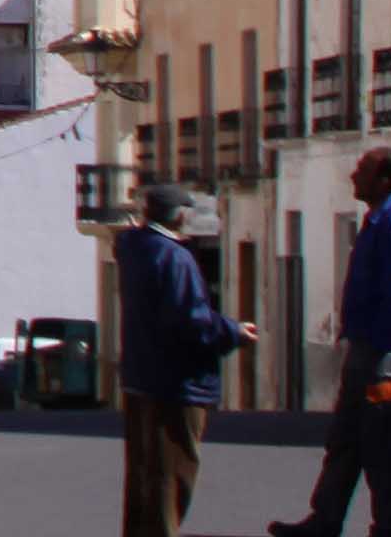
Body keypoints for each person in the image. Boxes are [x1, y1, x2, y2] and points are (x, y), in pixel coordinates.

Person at [275, 145, 391, 537]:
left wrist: (388, 359)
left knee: (381, 442)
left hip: (384, 358)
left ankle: (390, 527)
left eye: (363, 170)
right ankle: (324, 520)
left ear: (384, 180)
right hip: (365, 352)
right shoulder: (376, 221)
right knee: (345, 438)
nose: (353, 176)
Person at [118, 179, 248, 535]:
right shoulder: (174, 258)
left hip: (140, 378)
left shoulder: (133, 247)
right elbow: (191, 321)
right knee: (171, 480)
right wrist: (233, 332)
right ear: (178, 215)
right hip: (175, 386)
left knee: (143, 481)